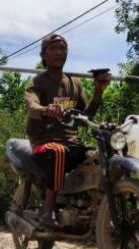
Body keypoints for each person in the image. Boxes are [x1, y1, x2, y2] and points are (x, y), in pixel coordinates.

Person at [24, 33, 111, 229]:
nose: (59, 52)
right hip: (43, 143)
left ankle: (101, 210)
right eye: (54, 48)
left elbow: (85, 117)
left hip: (72, 142)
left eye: (63, 48)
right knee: (58, 151)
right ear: (43, 55)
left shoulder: (75, 83)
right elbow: (31, 107)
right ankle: (48, 210)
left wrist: (99, 91)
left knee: (103, 156)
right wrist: (47, 109)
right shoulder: (37, 82)